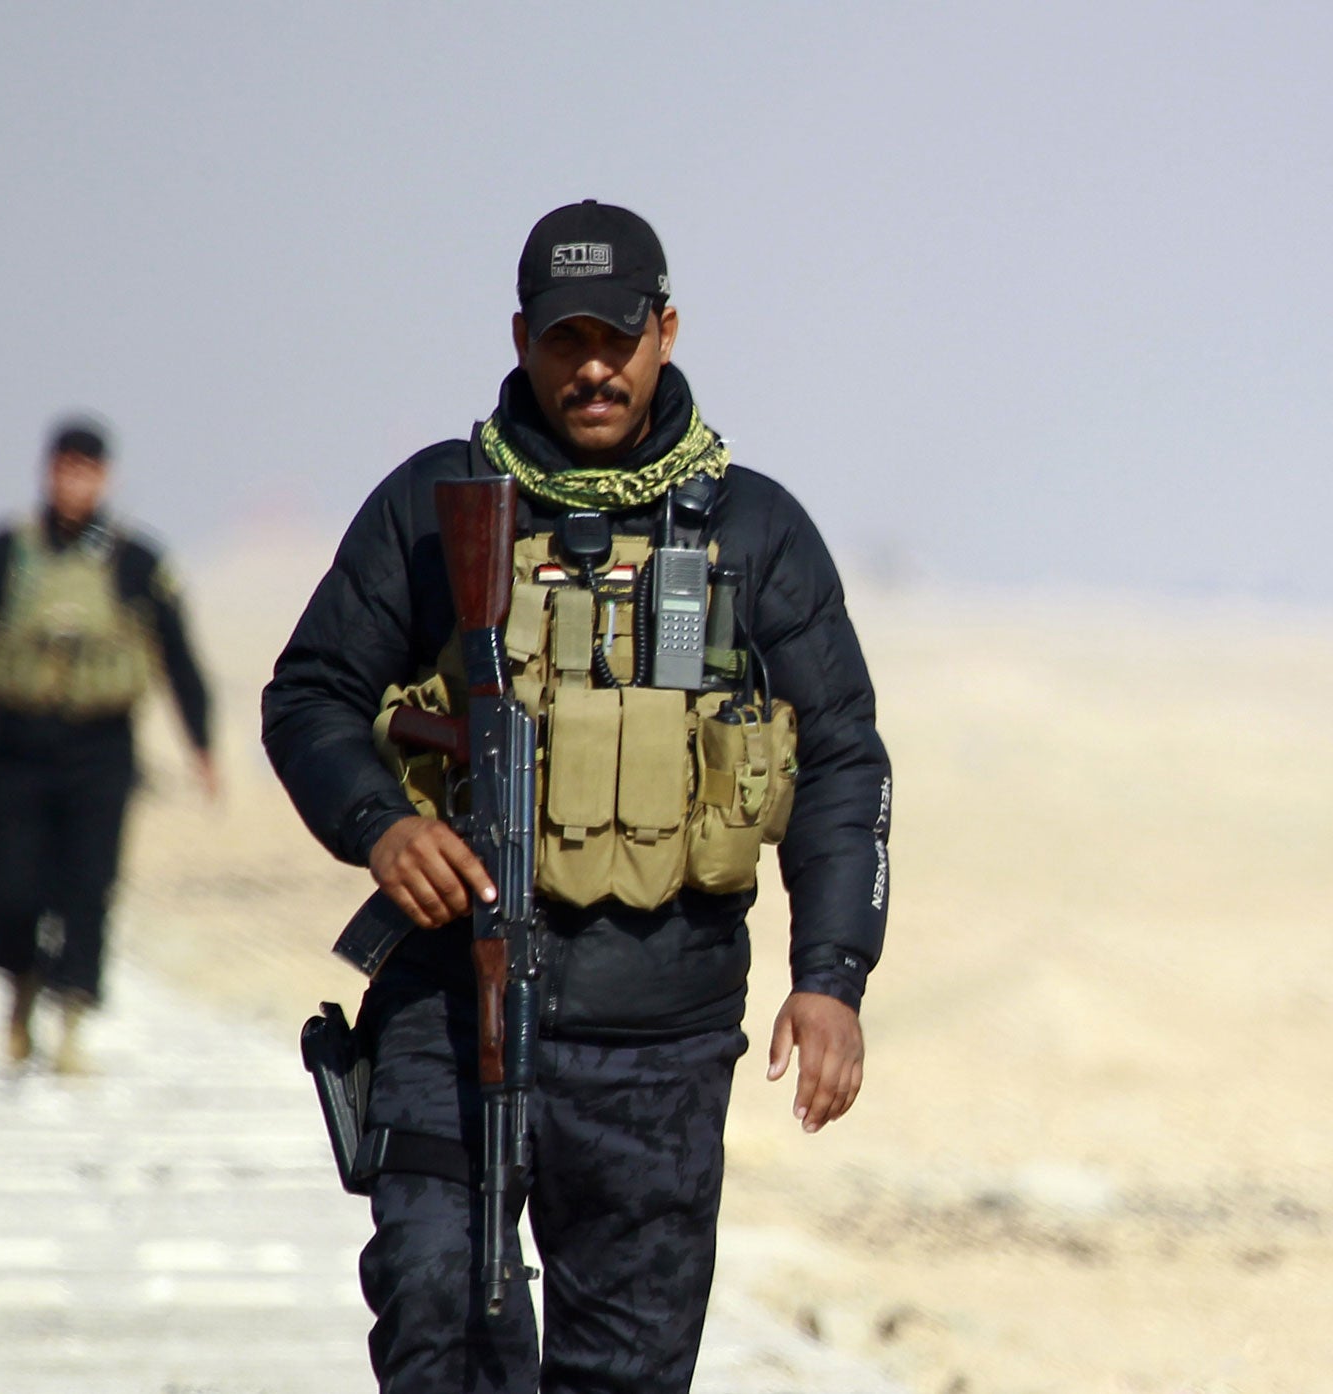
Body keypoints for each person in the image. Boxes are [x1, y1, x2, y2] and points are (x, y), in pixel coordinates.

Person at [262, 200, 891, 1393]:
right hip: (449, 1002)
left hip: (658, 1030)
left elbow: (844, 762)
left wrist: (832, 976)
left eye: (615, 336)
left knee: (626, 1368)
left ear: (664, 331)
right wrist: (380, 823)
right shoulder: (434, 504)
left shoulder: (753, 531)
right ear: (519, 338)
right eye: (563, 340)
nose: (591, 366)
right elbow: (310, 697)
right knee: (439, 1308)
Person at [0, 417, 218, 1072]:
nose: (73, 483)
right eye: (63, 469)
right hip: (17, 742)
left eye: (86, 471)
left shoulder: (135, 561)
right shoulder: (6, 552)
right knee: (11, 886)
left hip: (100, 746)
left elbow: (177, 653)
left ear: (105, 478)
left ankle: (70, 1022)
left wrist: (201, 742)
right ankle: (20, 985)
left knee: (89, 886)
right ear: (47, 471)